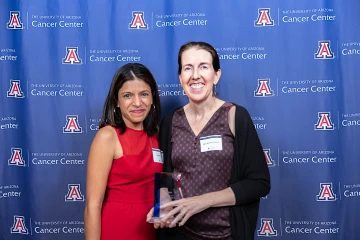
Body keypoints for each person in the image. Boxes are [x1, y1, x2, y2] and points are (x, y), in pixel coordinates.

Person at [146, 42, 271, 240]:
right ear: (180, 78)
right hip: (180, 233)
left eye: (204, 66)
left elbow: (259, 183)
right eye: (188, 68)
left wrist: (201, 202)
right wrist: (162, 200)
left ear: (217, 75)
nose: (195, 75)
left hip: (226, 235)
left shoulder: (235, 116)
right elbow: (166, 177)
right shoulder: (170, 121)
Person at [84, 63, 162, 240]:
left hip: (153, 230)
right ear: (117, 102)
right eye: (127, 95)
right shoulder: (107, 136)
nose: (137, 102)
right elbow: (93, 205)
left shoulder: (158, 135)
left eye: (144, 94)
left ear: (152, 98)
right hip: (117, 229)